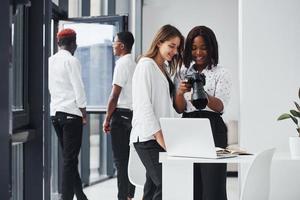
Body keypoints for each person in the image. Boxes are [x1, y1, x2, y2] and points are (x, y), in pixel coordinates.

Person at [174, 25, 232, 200]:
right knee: (190, 184)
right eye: (193, 48)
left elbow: (220, 106)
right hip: (188, 126)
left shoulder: (221, 72)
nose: (198, 52)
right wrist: (180, 92)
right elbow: (179, 108)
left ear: (211, 48)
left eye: (203, 48)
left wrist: (202, 93)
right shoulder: (182, 72)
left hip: (212, 127)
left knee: (213, 185)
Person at [130, 24, 184, 200]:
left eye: (177, 47)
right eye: (171, 46)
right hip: (148, 137)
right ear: (159, 42)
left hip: (159, 137)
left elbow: (166, 106)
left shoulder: (165, 69)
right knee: (166, 182)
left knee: (152, 188)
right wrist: (161, 138)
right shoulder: (145, 66)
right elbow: (143, 106)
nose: (174, 51)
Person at [49, 28, 88, 200]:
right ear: (73, 44)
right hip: (72, 115)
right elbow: (78, 88)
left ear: (58, 43)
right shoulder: (72, 61)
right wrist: (83, 112)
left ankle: (80, 196)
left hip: (55, 114)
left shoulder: (50, 61)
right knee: (70, 160)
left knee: (69, 159)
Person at [103, 31, 136, 200]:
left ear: (122, 45)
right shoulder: (134, 62)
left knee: (120, 161)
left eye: (114, 42)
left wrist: (107, 118)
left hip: (121, 116)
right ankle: (130, 195)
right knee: (129, 159)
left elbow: (114, 96)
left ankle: (123, 197)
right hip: (132, 116)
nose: (113, 45)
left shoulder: (122, 63)